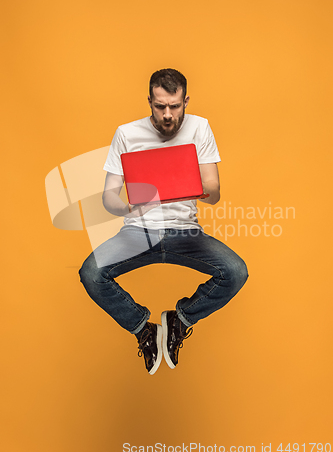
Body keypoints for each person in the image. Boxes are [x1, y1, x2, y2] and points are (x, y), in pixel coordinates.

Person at [79, 69, 248, 375]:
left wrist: (197, 188)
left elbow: (214, 193)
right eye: (160, 107)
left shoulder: (200, 128)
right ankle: (144, 329)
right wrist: (129, 206)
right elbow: (108, 198)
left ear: (185, 101)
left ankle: (179, 321)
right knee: (91, 272)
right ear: (149, 101)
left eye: (175, 106)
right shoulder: (127, 134)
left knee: (235, 272)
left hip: (186, 235)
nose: (168, 115)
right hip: (137, 233)